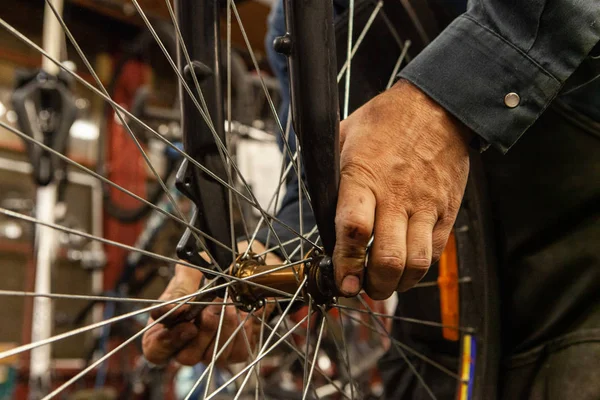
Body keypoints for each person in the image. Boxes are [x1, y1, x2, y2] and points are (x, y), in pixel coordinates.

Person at [143, 0, 600, 398]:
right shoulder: (294, 22)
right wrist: (262, 263)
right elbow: (317, 192)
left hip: (578, 293)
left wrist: (443, 103)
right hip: (438, 347)